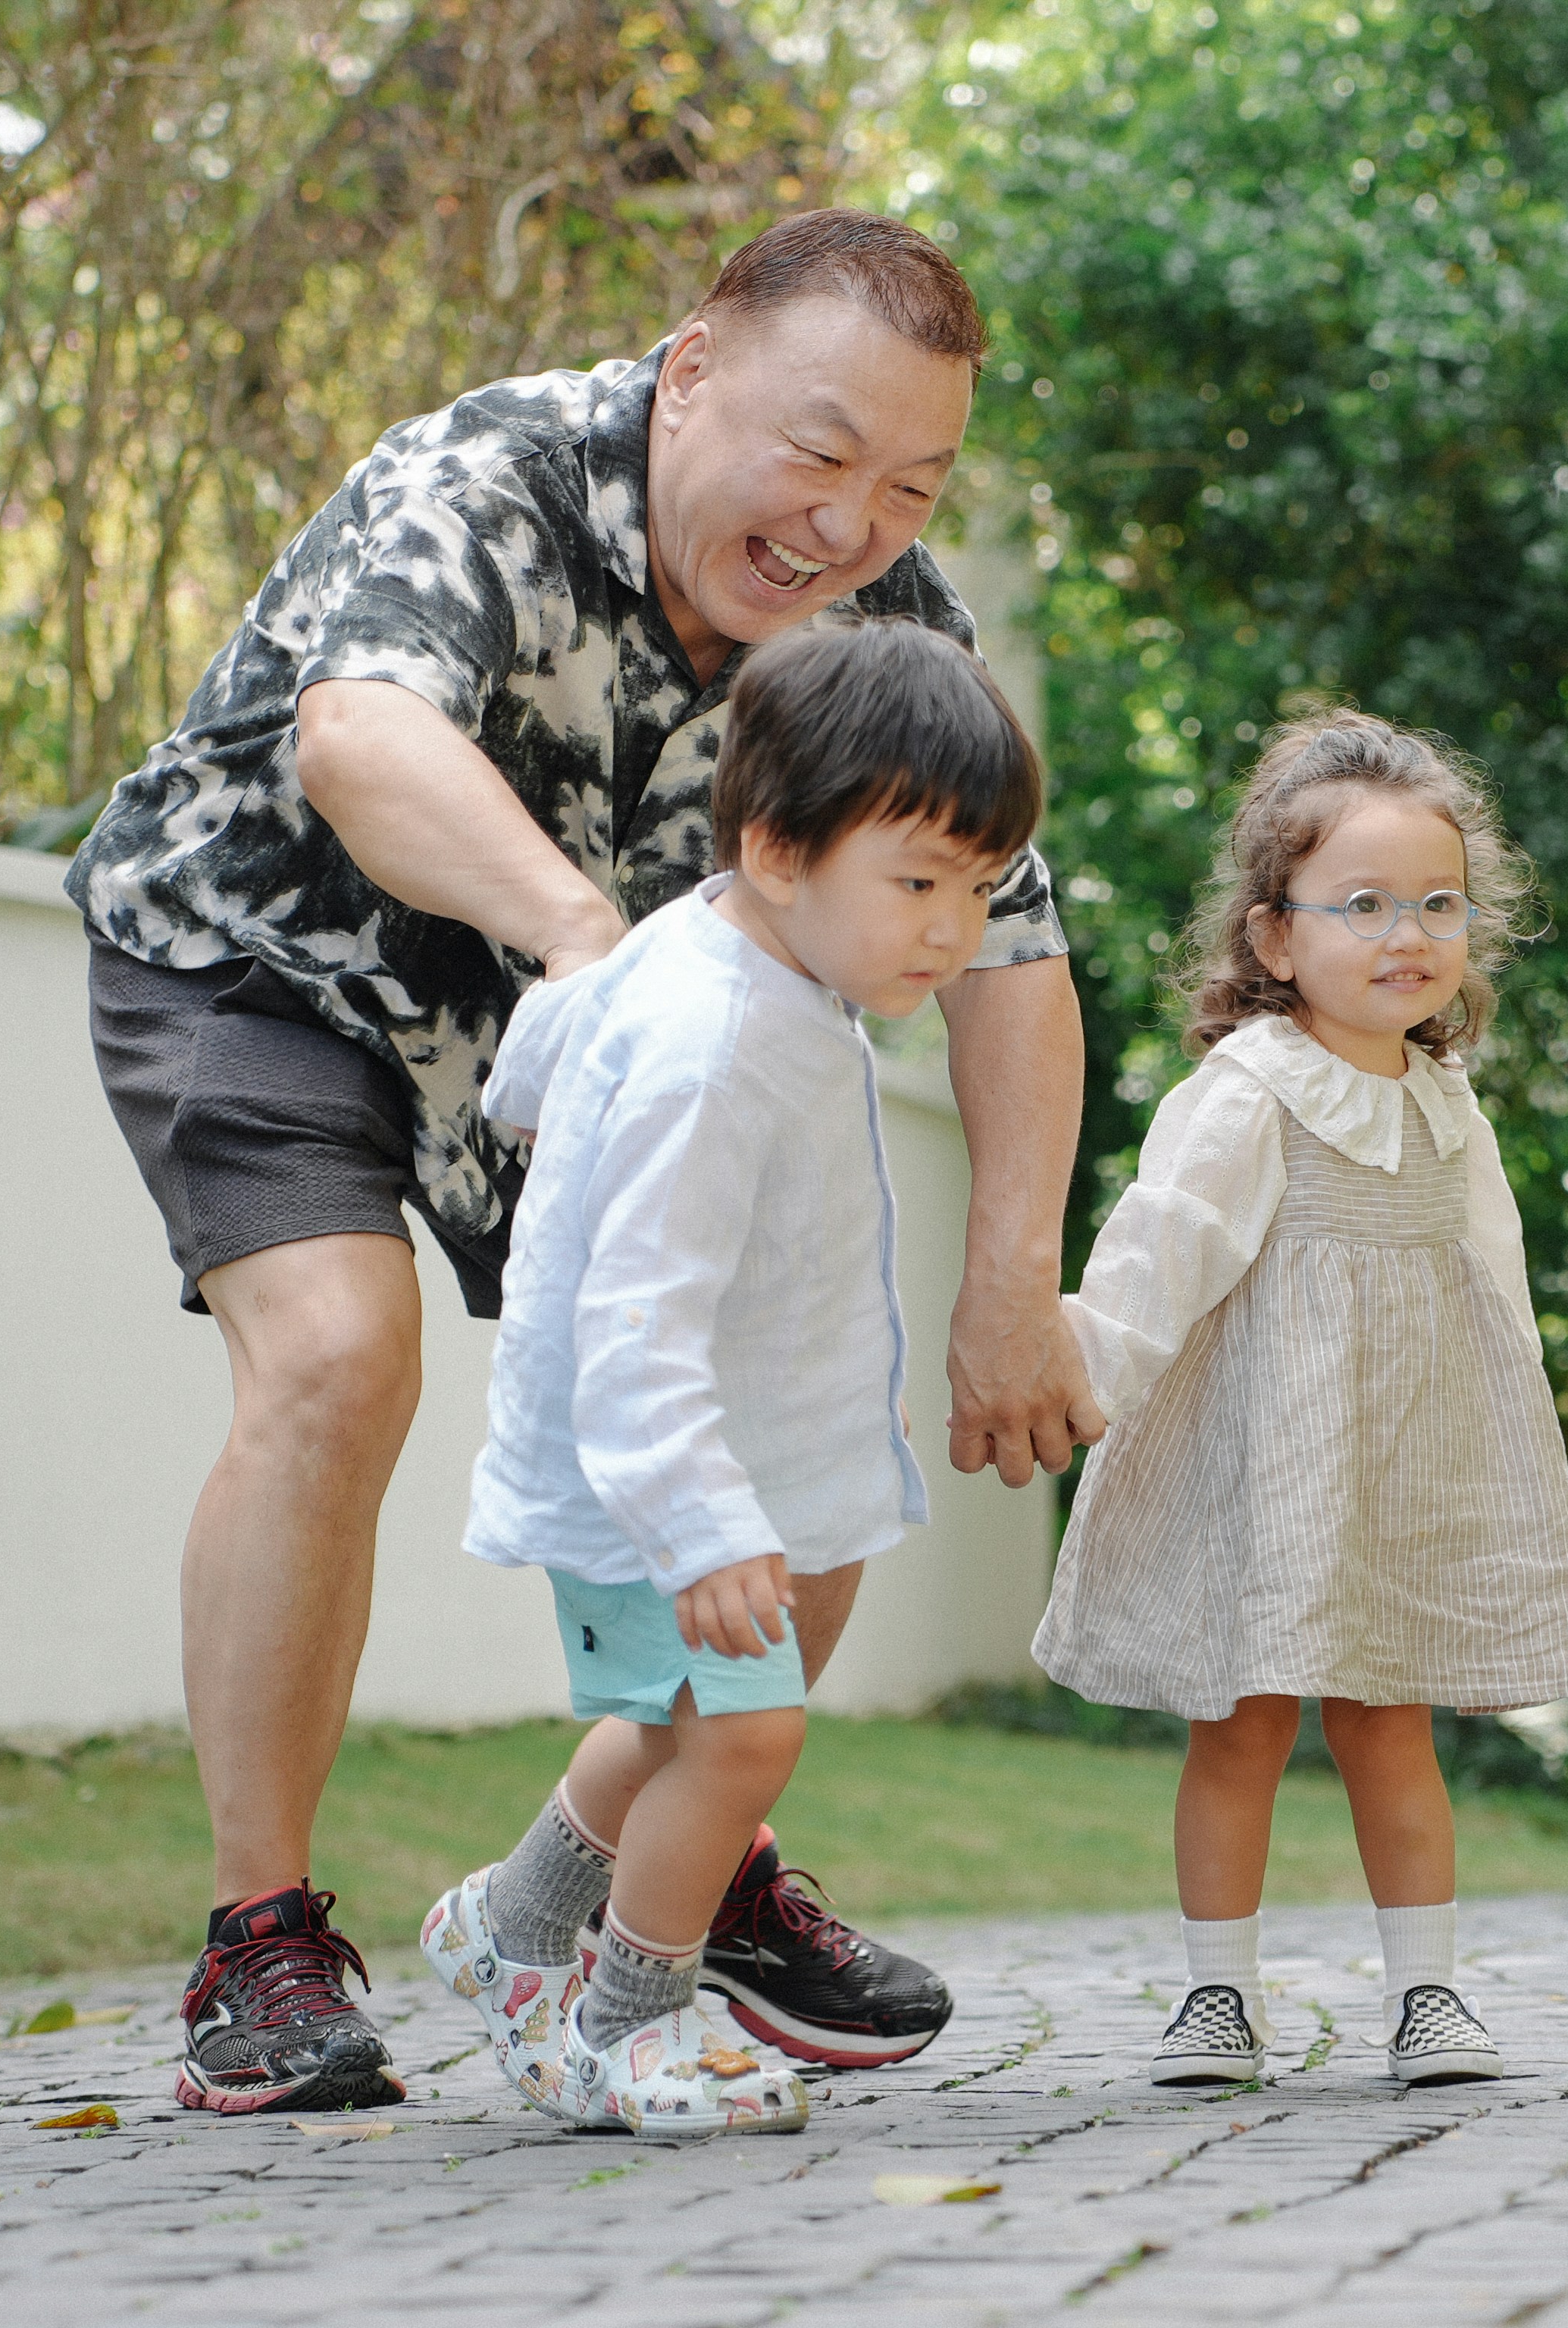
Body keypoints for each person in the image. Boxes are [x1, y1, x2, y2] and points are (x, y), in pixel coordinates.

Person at [67, 209, 1102, 2115]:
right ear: (691, 369)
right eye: (817, 449)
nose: (849, 521)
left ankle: (655, 1870)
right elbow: (361, 734)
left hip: (609, 1047)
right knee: (336, 1358)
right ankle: (261, 1942)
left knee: (760, 1422)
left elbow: (1015, 957)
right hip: (277, 964)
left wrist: (1012, 1276)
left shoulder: (896, 625)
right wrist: (580, 933)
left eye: (908, 481)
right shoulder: (491, 474)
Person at [418, 620, 1043, 2137]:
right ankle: (630, 2020)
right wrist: (700, 1524)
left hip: (708, 1459)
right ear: (776, 848)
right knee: (743, 1737)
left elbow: (541, 1056)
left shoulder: (732, 965)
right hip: (659, 1476)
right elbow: (636, 1317)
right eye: (917, 882)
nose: (952, 932)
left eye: (975, 889)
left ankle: (507, 1929)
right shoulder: (713, 1039)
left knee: (663, 1725)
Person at [1034, 711, 1568, 2089]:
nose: (1404, 934)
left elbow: (1492, 1272)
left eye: (1436, 904)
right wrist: (1076, 1374)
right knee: (1240, 1723)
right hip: (1264, 1451)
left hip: (1406, 1454)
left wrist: (1511, 1428)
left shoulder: (1446, 1101)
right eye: (1360, 906)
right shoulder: (1252, 1091)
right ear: (1273, 938)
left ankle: (1428, 1992)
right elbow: (1162, 1244)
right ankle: (1216, 1999)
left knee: (1391, 1717)